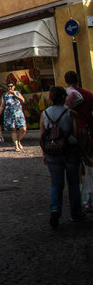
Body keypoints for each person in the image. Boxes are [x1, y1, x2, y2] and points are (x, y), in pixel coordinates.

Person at [40, 86, 84, 228]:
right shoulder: (71, 113)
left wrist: (44, 154)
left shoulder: (44, 114)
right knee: (73, 184)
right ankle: (76, 214)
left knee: (56, 183)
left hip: (53, 152)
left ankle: (55, 209)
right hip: (70, 152)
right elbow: (77, 134)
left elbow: (42, 136)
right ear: (64, 97)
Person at [64, 70, 93, 212]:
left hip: (73, 133)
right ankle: (88, 197)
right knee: (89, 164)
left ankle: (82, 196)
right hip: (87, 131)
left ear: (66, 81)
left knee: (77, 165)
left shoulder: (66, 95)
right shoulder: (88, 95)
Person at [2, 79, 27, 151]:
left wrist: (15, 95)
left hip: (18, 113)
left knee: (23, 129)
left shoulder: (17, 93)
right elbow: (2, 105)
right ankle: (16, 145)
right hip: (9, 114)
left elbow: (23, 100)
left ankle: (18, 141)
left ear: (14, 86)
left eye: (11, 86)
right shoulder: (5, 95)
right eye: (8, 86)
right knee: (13, 130)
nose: (10, 88)